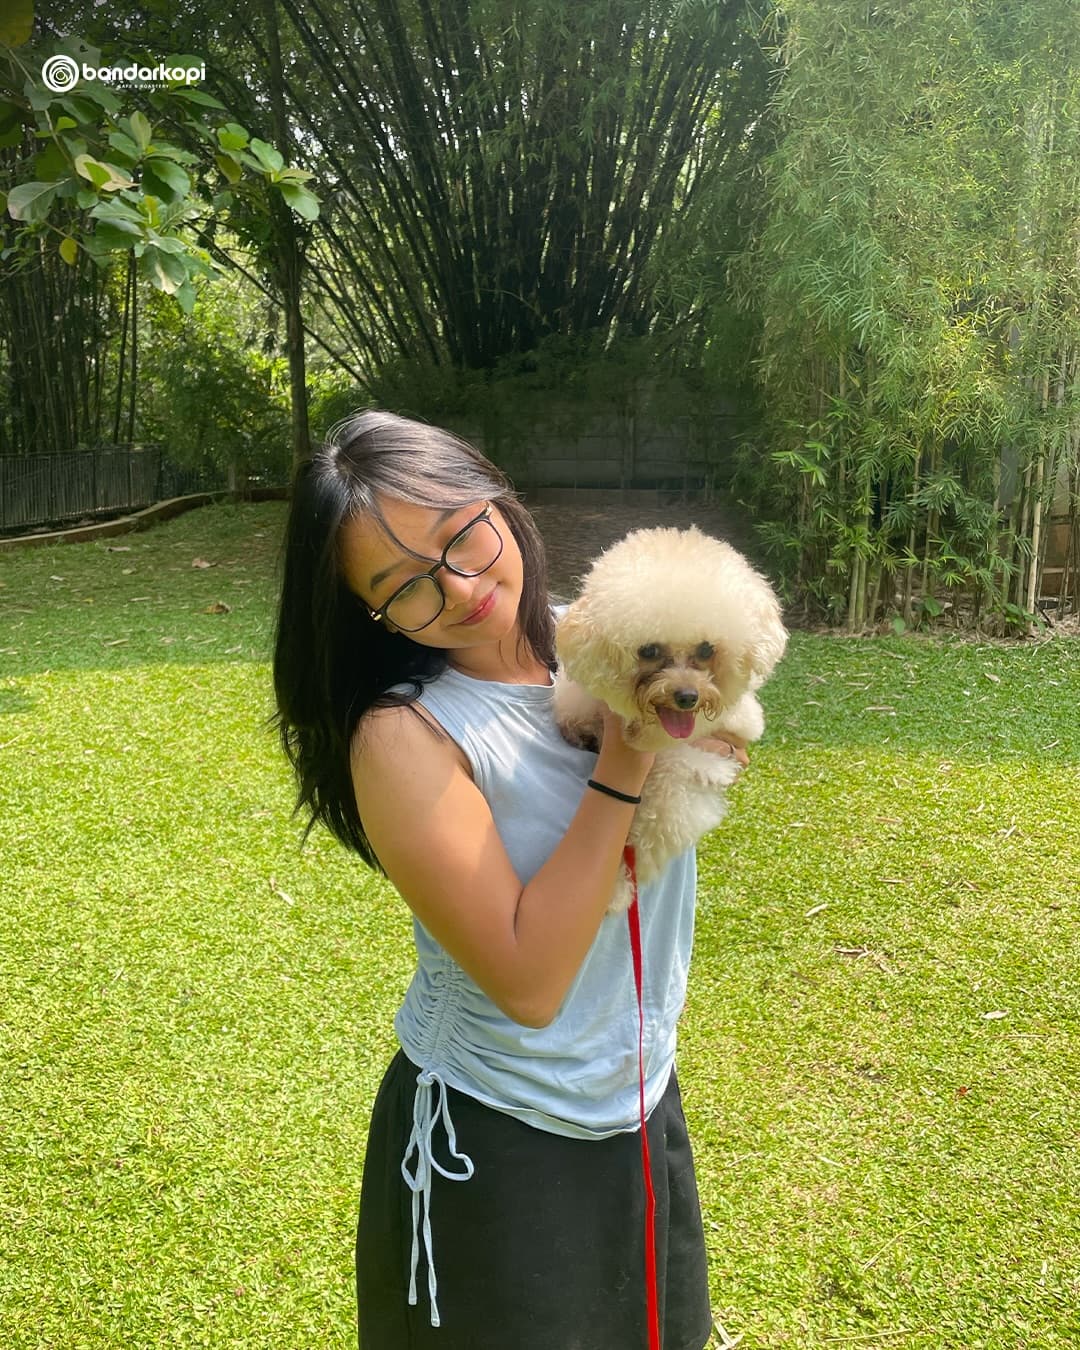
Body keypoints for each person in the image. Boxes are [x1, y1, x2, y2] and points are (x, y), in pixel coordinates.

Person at [272, 409, 747, 1350]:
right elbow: (529, 986)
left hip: (639, 1099)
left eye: (461, 536)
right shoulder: (404, 735)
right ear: (369, 612)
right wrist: (626, 760)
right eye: (404, 585)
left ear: (497, 500)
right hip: (499, 1136)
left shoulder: (609, 642)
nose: (458, 586)